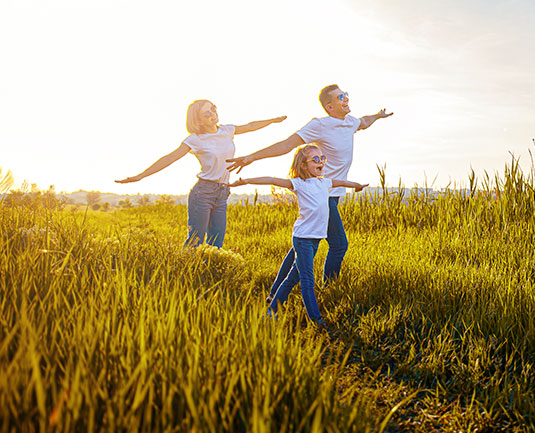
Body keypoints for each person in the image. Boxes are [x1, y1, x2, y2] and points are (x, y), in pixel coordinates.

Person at [227, 84, 391, 291]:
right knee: (339, 245)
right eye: (341, 97)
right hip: (320, 194)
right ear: (330, 107)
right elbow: (287, 145)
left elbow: (364, 122)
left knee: (303, 245)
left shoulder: (350, 122)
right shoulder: (319, 125)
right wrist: (252, 157)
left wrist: (378, 115)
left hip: (332, 194)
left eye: (346, 95)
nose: (346, 98)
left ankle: (275, 291)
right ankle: (330, 290)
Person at [116, 100, 286, 248]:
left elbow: (251, 126)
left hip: (223, 192)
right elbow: (170, 158)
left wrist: (272, 120)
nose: (213, 113)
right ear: (198, 119)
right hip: (203, 193)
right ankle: (186, 277)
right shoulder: (195, 139)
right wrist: (141, 176)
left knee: (216, 242)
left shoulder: (226, 130)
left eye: (213, 108)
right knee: (195, 241)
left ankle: (209, 276)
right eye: (207, 113)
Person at [230, 145, 367, 325]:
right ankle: (317, 321)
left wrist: (356, 185)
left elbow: (341, 182)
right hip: (302, 239)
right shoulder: (298, 184)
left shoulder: (324, 182)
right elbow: (272, 179)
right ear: (303, 165)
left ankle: (272, 311)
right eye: (316, 159)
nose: (321, 162)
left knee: (293, 277)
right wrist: (246, 181)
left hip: (315, 239)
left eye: (322, 158)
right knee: (307, 280)